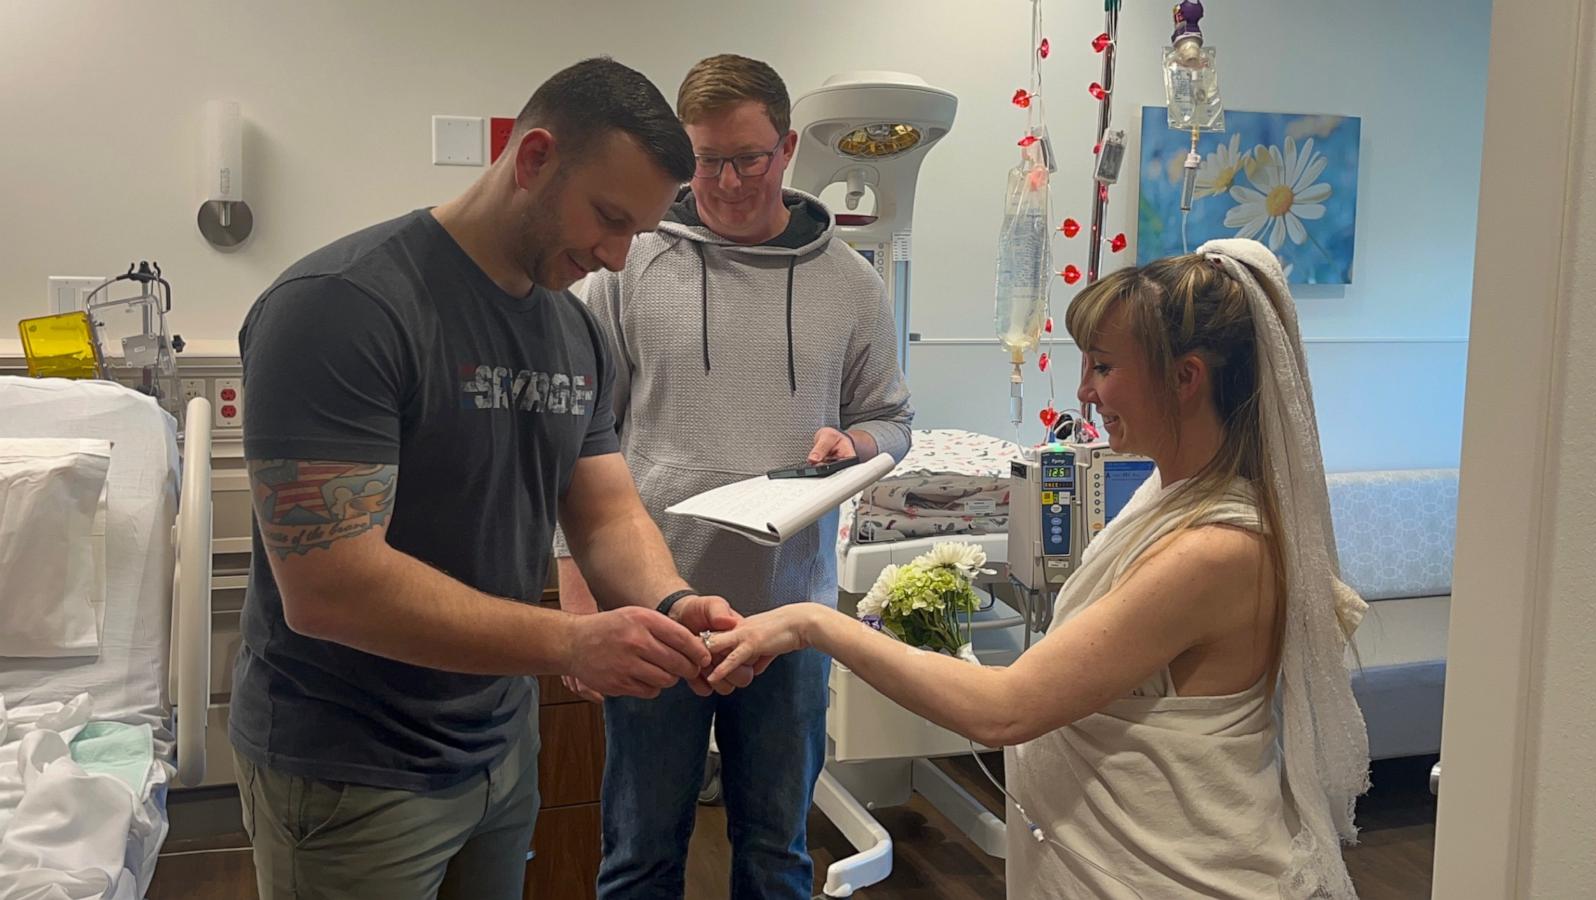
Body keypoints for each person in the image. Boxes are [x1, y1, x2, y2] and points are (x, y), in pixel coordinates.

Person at [231, 57, 756, 900]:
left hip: (497, 748)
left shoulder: (572, 331)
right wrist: (571, 643)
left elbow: (607, 514)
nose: (617, 259)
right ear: (534, 156)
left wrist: (669, 604)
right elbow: (329, 586)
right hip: (350, 771)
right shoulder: (343, 307)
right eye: (608, 218)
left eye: (639, 233)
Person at [707, 239, 1372, 899]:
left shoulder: (1218, 550)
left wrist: (811, 624)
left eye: (1105, 367)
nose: (1084, 391)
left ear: (1185, 377)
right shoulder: (1169, 497)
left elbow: (1005, 711)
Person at [553, 54, 914, 899]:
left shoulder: (852, 286)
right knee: (639, 852)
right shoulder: (629, 266)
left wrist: (857, 442)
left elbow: (893, 419)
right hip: (650, 608)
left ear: (787, 149)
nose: (724, 181)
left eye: (746, 158)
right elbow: (571, 436)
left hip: (791, 616)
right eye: (705, 159)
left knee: (775, 851)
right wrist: (576, 597)